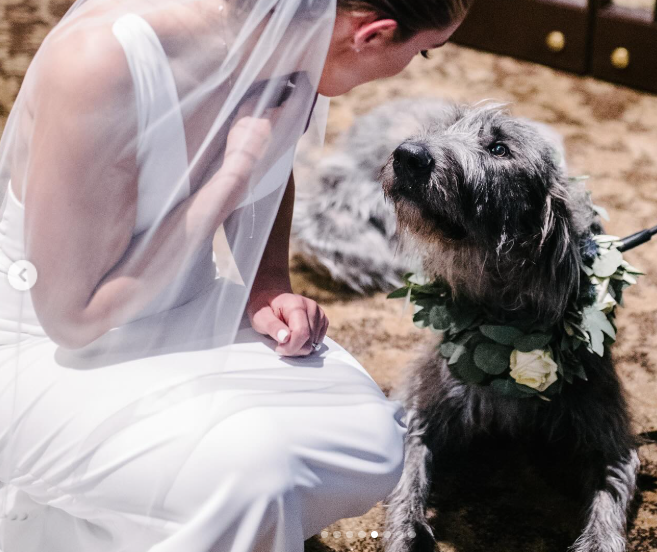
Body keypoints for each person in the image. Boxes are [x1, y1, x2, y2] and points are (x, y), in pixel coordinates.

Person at [0, 0, 469, 550]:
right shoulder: (99, 63)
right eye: (422, 52)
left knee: (371, 442)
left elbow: (275, 165)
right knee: (256, 479)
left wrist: (266, 283)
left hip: (185, 307)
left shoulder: (289, 43)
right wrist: (231, 174)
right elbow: (72, 318)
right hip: (47, 344)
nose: (412, 66)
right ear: (371, 35)